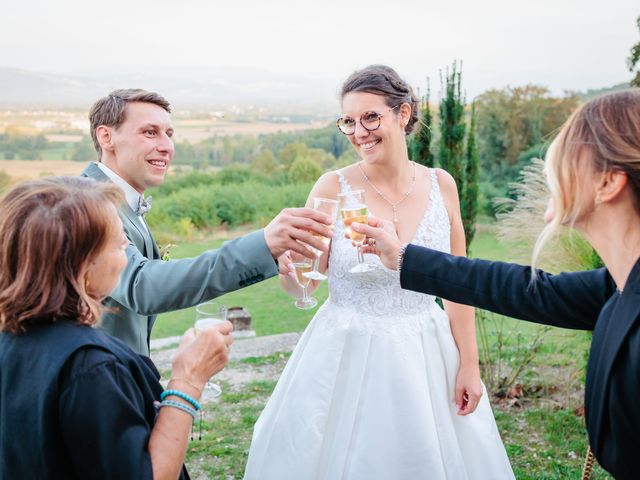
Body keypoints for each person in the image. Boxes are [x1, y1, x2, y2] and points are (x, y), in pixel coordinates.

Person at [352, 89, 640, 480]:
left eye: (564, 161)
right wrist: (404, 257)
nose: (547, 172)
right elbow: (530, 291)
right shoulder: (620, 284)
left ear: (608, 182)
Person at [244, 65, 514, 479]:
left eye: (371, 117)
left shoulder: (443, 185)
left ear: (402, 115)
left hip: (429, 352)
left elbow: (458, 286)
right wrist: (288, 272)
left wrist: (470, 366)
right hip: (347, 354)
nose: (359, 132)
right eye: (348, 122)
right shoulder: (331, 188)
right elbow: (307, 278)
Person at [0, 176, 233, 479]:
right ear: (83, 264)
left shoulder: (11, 337)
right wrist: (188, 379)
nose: (126, 243)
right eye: (117, 240)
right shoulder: (92, 367)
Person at [82, 89, 332, 355]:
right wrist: (262, 245)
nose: (167, 146)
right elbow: (142, 287)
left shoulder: (114, 199)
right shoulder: (90, 203)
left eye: (169, 134)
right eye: (149, 132)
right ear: (106, 137)